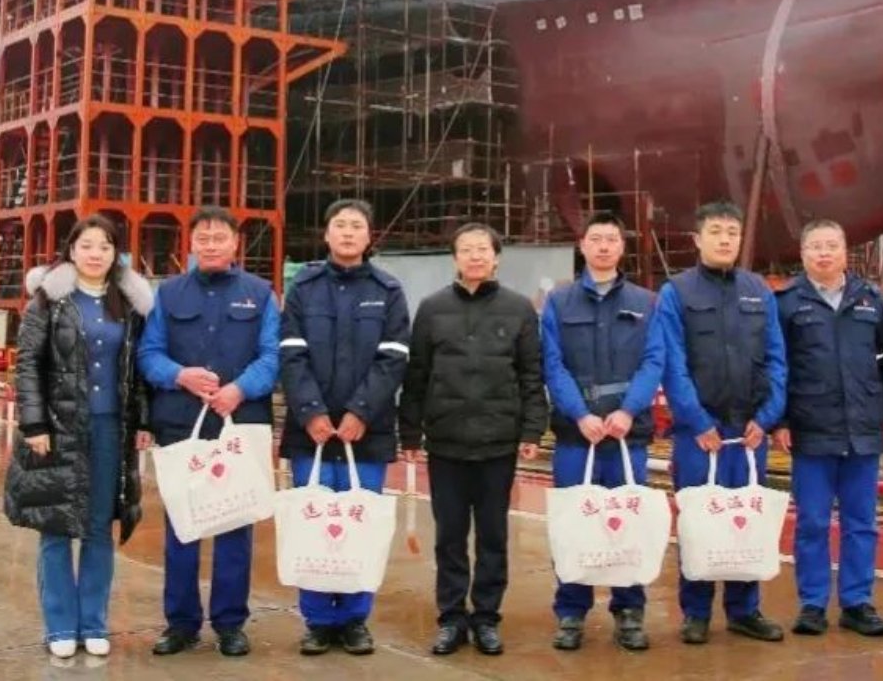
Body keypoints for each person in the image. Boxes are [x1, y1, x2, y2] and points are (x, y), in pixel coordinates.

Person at [5, 214, 155, 660]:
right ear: (71, 250)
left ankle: (93, 623)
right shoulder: (48, 301)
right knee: (56, 527)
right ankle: (59, 626)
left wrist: (143, 421)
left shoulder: (130, 305)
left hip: (111, 428)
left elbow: (139, 371)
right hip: (58, 428)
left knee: (98, 527)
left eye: (105, 246)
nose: (95, 254)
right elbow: (28, 364)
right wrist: (34, 424)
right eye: (87, 245)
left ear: (116, 254)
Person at [137, 206, 280, 658]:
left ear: (236, 243)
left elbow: (272, 355)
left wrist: (240, 389)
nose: (211, 245)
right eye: (203, 238)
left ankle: (230, 624)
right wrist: (180, 375)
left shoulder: (260, 294)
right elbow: (148, 354)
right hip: (182, 422)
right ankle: (181, 624)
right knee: (183, 525)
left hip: (239, 422)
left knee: (235, 523)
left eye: (220, 237)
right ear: (191, 243)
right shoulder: (169, 294)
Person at [399, 222, 548, 657]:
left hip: (498, 443)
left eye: (483, 249)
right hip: (445, 442)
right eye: (466, 249)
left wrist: (532, 429)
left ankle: (486, 617)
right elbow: (416, 375)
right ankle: (451, 618)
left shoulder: (518, 309)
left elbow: (531, 375)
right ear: (455, 258)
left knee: (493, 536)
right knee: (449, 536)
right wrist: (410, 432)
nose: (475, 256)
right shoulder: (432, 308)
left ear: (496, 257)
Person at [278, 199, 410, 657]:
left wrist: (360, 412)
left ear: (370, 236)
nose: (348, 232)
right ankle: (317, 621)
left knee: (359, 525)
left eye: (357, 226)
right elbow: (290, 353)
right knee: (313, 523)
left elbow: (394, 357)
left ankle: (355, 620)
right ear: (327, 234)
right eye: (340, 224)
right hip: (310, 433)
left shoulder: (388, 290)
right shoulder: (303, 289)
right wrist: (312, 412)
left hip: (366, 433)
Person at [655, 200, 788, 646]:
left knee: (745, 520)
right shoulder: (677, 293)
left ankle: (744, 610)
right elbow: (672, 364)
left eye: (732, 232)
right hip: (701, 435)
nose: (725, 239)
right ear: (697, 239)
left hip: (748, 433)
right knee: (698, 522)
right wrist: (696, 421)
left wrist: (766, 418)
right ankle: (695, 612)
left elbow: (777, 358)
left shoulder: (759, 291)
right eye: (715, 231)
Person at [541, 211, 666, 652]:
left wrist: (629, 411)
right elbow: (552, 363)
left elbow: (655, 360)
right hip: (578, 435)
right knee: (573, 523)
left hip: (626, 435)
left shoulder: (646, 302)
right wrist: (579, 414)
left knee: (627, 523)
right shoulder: (559, 302)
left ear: (621, 247)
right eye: (595, 239)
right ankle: (571, 611)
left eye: (612, 239)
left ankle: (629, 611)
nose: (603, 246)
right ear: (583, 246)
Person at [772, 219, 883, 639]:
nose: (824, 253)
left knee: (862, 522)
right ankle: (813, 604)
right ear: (803, 253)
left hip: (862, 429)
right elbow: (776, 367)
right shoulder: (786, 304)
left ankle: (857, 603)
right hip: (811, 430)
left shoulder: (870, 300)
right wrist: (780, 421)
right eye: (815, 247)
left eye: (831, 246)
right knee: (812, 522)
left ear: (845, 251)